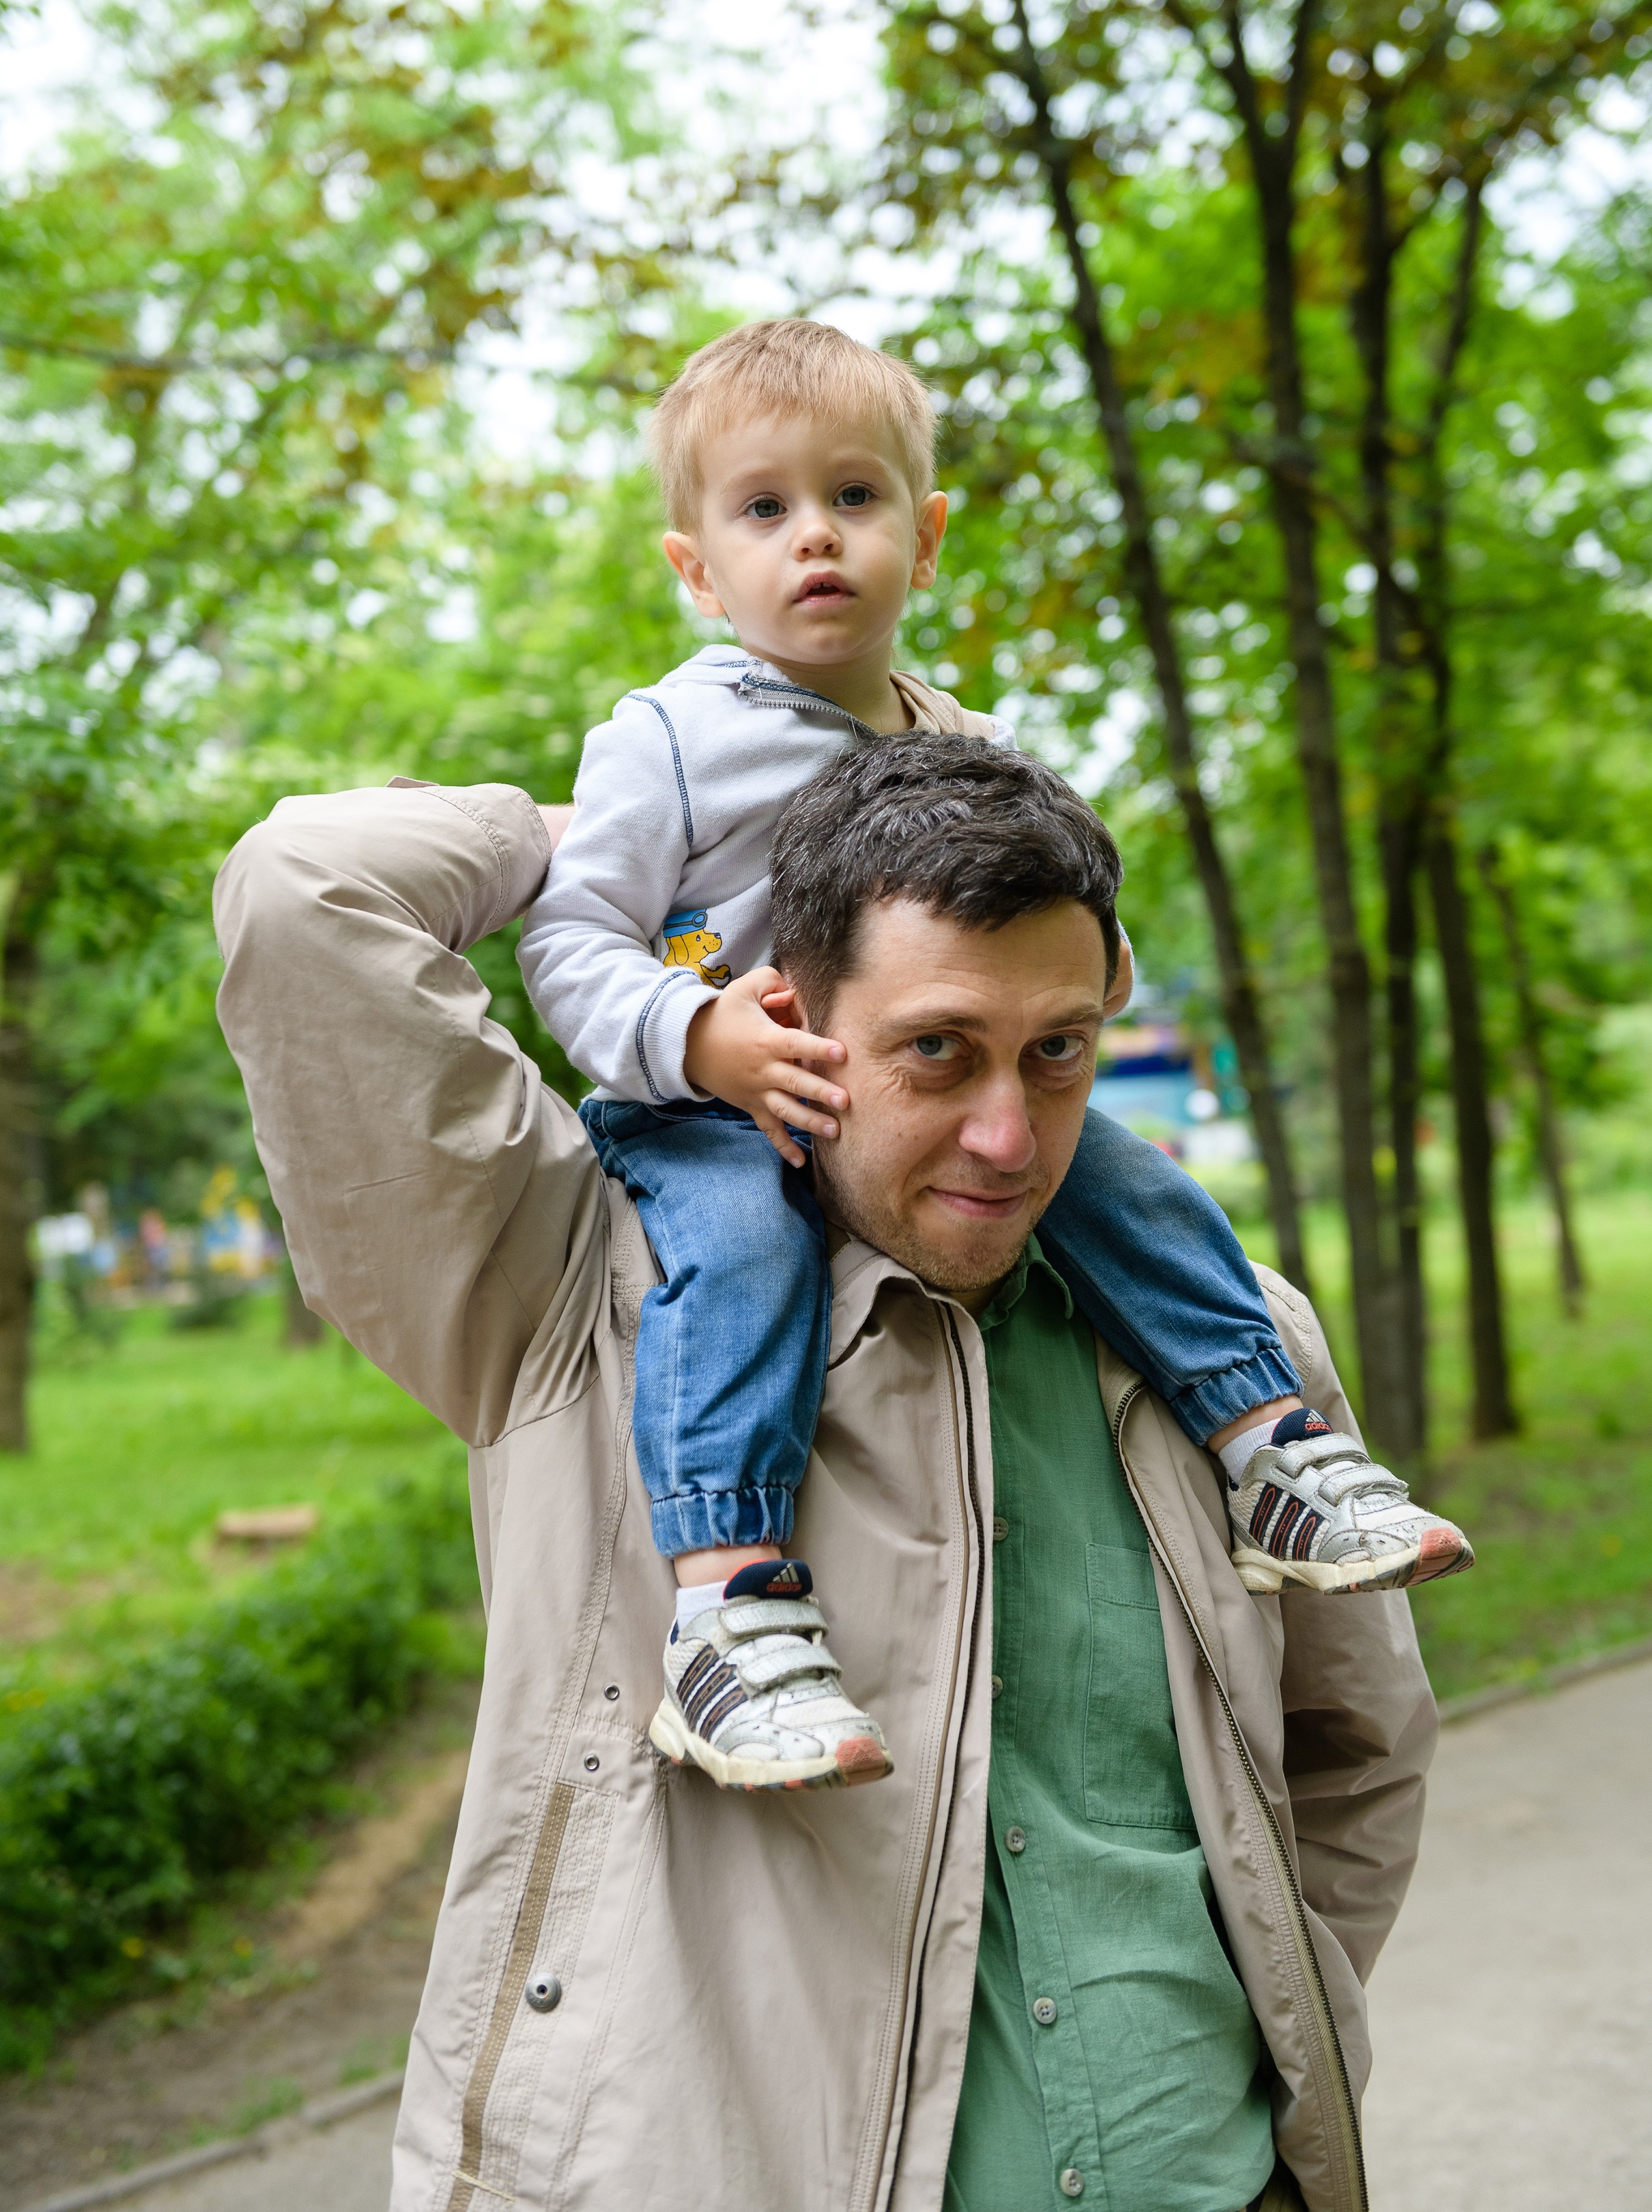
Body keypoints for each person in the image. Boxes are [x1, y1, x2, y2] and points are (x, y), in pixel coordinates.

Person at [214, 741, 1436, 2212]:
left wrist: (1277, 2057)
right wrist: (647, 830)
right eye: (937, 1050)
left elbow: (1356, 1752)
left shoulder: (1234, 1350)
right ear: (787, 1016)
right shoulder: (571, 1302)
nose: (1007, 1135)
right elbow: (305, 893)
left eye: (1057, 1050)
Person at [516, 318, 1470, 1793]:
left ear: (925, 535)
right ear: (696, 569)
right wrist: (696, 1038)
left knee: (1126, 1184)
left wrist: (1087, 976)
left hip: (933, 1087)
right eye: (764, 509)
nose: (815, 536)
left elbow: (1063, 920)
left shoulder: (974, 744)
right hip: (719, 1104)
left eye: (854, 496)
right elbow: (571, 938)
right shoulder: (669, 739)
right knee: (742, 1257)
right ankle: (728, 1613)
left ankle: (1272, 1450)